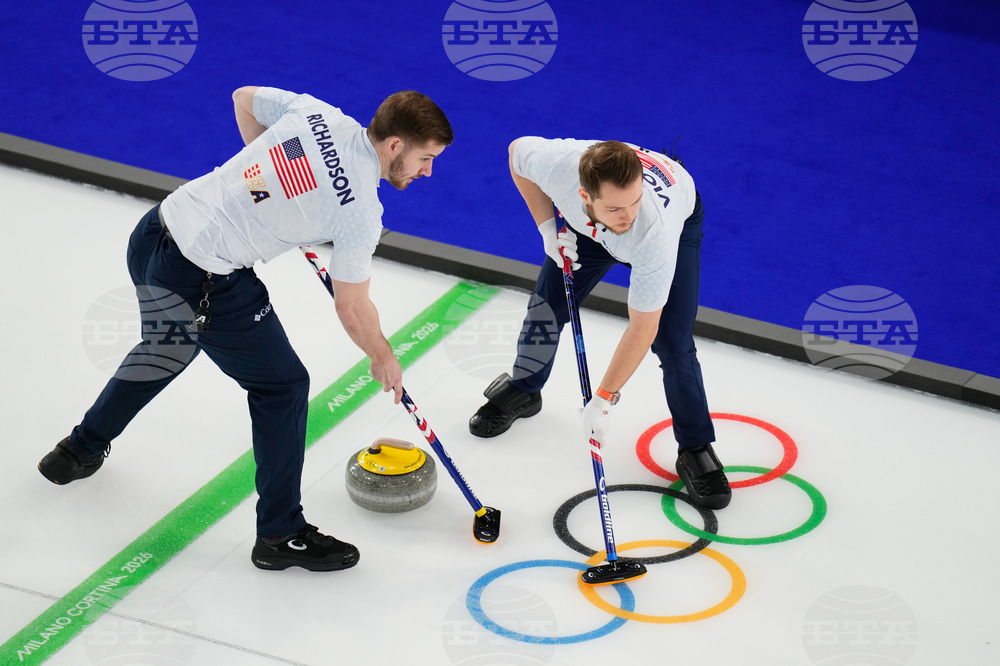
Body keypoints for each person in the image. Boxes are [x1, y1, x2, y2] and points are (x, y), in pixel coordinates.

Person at [38, 86, 453, 570]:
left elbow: (243, 97)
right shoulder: (360, 210)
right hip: (203, 275)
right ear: (395, 146)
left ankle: (76, 451)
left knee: (165, 348)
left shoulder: (319, 113)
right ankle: (281, 534)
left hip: (157, 228)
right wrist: (383, 356)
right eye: (425, 159)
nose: (427, 172)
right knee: (282, 387)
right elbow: (353, 308)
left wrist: (266, 199)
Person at [469, 137, 731, 510]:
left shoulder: (651, 231)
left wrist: (604, 400)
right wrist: (547, 230)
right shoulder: (558, 166)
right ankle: (525, 389)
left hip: (675, 224)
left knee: (674, 343)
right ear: (584, 195)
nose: (628, 215)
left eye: (634, 202)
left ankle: (695, 446)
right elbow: (515, 152)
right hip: (585, 231)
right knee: (547, 307)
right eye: (616, 207)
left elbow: (643, 327)